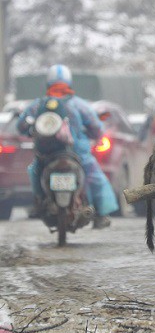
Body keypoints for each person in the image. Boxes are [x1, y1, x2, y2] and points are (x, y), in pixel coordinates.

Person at [17, 64, 118, 228]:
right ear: (69, 83)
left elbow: (21, 125)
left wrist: (30, 130)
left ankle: (40, 204)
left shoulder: (38, 105)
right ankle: (101, 214)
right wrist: (93, 136)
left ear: (48, 83)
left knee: (34, 170)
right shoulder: (79, 104)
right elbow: (97, 128)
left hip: (47, 154)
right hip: (78, 153)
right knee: (94, 175)